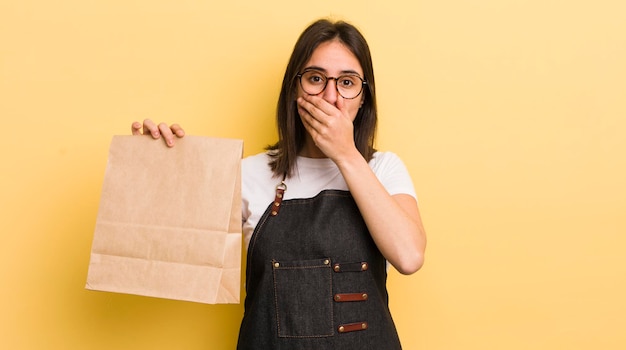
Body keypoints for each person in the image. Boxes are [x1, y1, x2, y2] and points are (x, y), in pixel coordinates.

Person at [132, 18, 426, 350]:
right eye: (316, 79)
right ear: (294, 90)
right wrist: (156, 165)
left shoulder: (384, 169)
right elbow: (170, 252)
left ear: (363, 98)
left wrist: (346, 154)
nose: (331, 97)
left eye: (347, 82)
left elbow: (409, 257)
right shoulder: (249, 174)